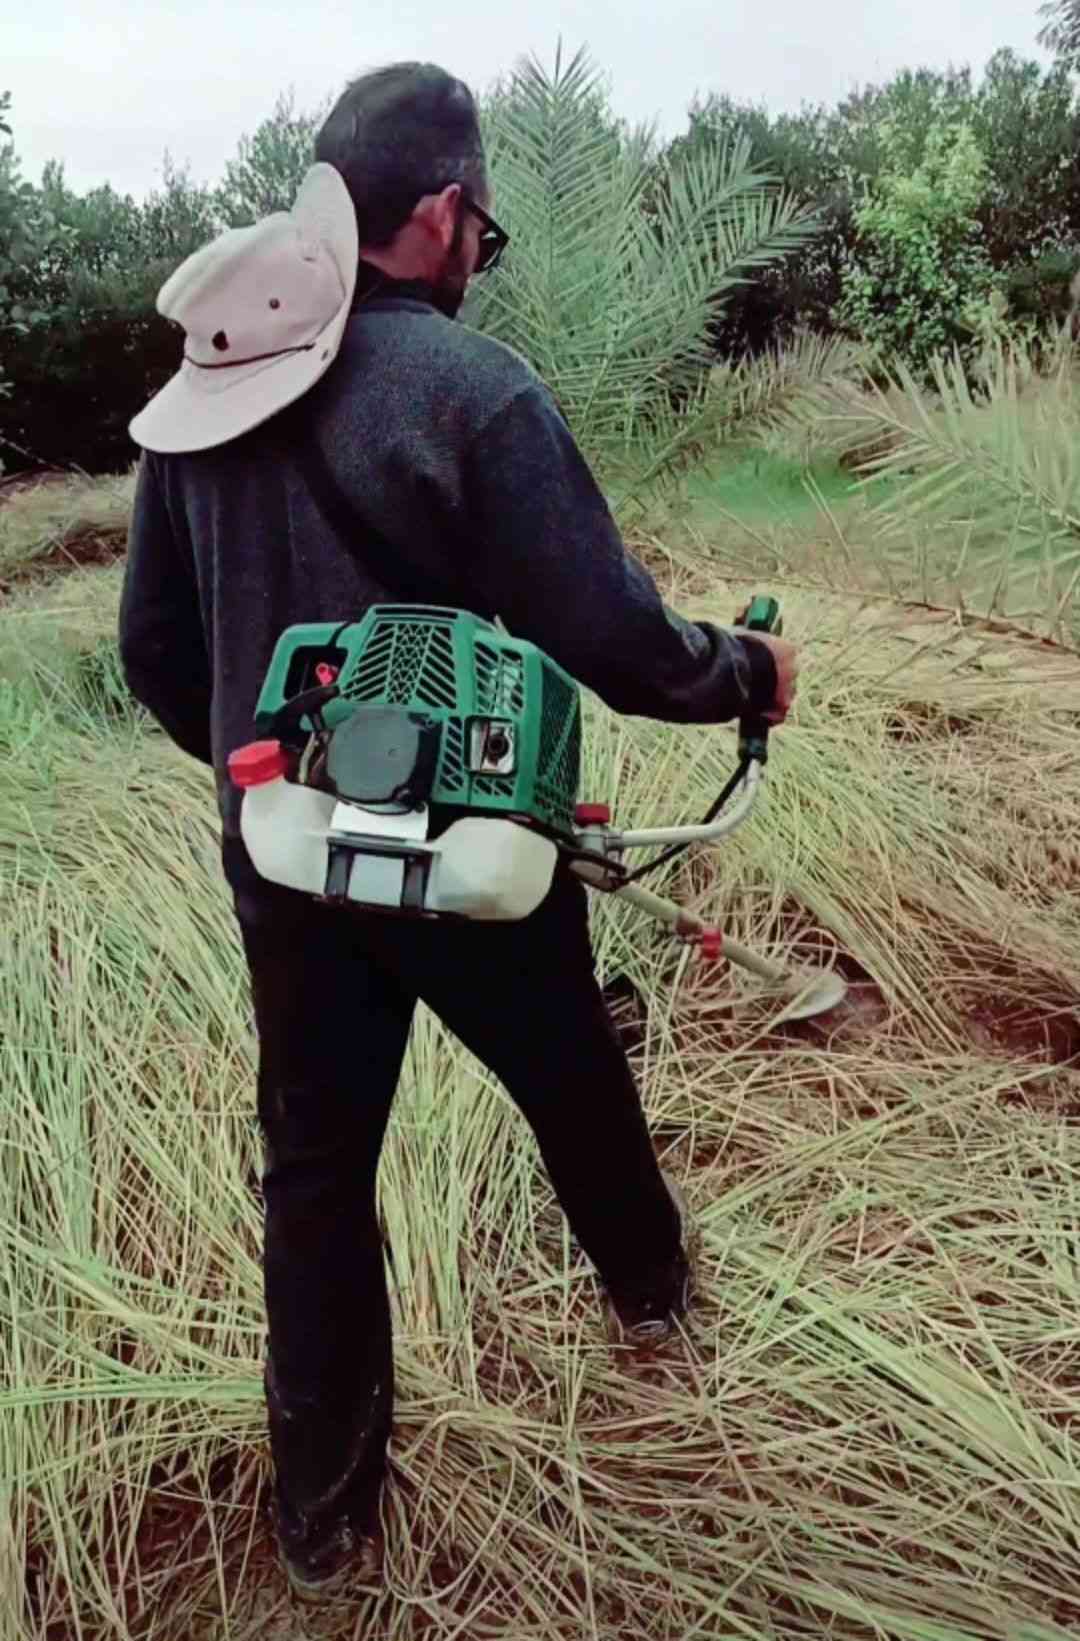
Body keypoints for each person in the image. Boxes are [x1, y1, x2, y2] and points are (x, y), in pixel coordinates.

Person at [118, 62, 800, 1606]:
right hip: (474, 856)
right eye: (483, 233)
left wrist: (274, 782)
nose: (479, 257)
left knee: (313, 1165)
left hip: (287, 859)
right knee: (571, 1077)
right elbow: (608, 635)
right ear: (440, 215)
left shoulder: (205, 394)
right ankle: (654, 1304)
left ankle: (323, 1520)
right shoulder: (474, 394)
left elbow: (156, 651)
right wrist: (744, 673)